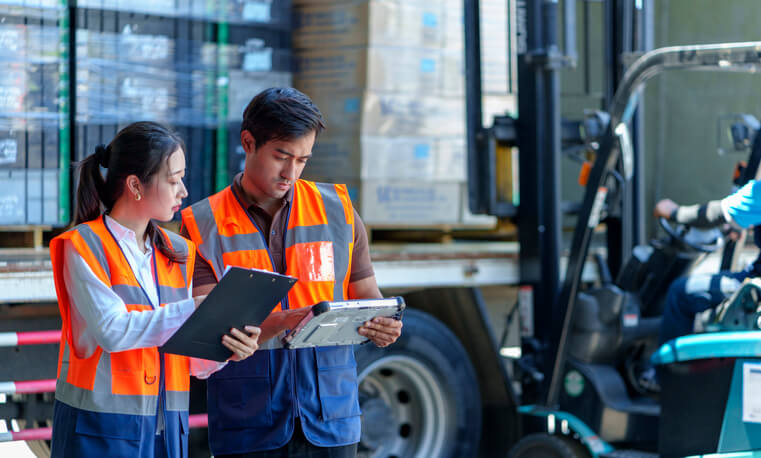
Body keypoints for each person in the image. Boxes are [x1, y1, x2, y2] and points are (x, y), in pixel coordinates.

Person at [180, 87, 403, 457]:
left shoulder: (340, 212)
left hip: (331, 420)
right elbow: (206, 334)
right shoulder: (202, 224)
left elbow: (368, 299)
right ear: (248, 142)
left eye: (302, 160)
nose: (291, 172)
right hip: (249, 422)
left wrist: (383, 325)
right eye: (281, 156)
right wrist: (291, 319)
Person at [49, 121, 261, 458]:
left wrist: (225, 345)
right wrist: (197, 309)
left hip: (166, 430)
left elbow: (189, 359)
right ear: (135, 185)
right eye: (174, 180)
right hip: (100, 431)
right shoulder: (84, 245)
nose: (184, 191)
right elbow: (113, 332)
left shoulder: (179, 251)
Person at [655, 179, 761, 345]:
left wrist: (674, 212)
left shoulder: (758, 192)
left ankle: (669, 369)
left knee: (679, 293)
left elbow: (713, 214)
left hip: (757, 285)